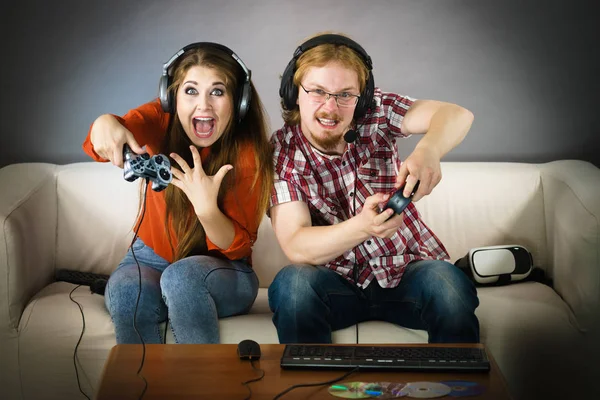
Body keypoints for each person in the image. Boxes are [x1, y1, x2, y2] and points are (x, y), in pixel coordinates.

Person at [267, 33, 480, 344]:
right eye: (317, 91)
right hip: (333, 284)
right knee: (293, 284)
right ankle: (312, 392)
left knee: (447, 284)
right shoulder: (281, 152)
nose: (331, 107)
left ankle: (456, 390)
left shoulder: (377, 113)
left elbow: (458, 115)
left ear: (362, 98)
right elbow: (296, 244)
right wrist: (362, 227)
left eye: (345, 95)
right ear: (294, 92)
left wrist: (429, 149)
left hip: (404, 273)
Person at [82, 42, 273, 344]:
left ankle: (201, 387)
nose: (204, 105)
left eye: (218, 91)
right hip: (150, 257)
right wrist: (105, 124)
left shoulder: (249, 155)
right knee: (127, 291)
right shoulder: (162, 119)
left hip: (224, 271)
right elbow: (108, 139)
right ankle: (143, 389)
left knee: (181, 278)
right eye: (191, 91)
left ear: (239, 101)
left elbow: (236, 249)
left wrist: (207, 208)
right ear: (172, 98)